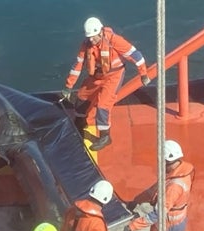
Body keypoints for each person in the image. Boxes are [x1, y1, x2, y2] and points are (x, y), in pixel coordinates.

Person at [60, 17, 150, 151]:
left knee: (103, 105)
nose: (91, 40)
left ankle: (105, 136)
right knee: (81, 98)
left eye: (93, 37)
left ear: (101, 32)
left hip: (113, 76)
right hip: (96, 76)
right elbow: (77, 65)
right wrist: (68, 86)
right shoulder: (86, 45)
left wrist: (143, 74)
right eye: (89, 37)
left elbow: (136, 55)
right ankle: (79, 125)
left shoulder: (114, 41)